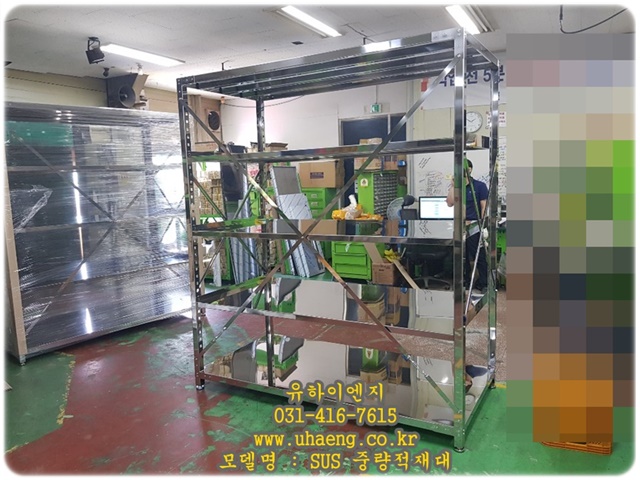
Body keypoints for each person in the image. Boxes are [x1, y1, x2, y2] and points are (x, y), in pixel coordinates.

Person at [446, 158, 489, 293]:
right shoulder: (457, 188)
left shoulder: (480, 186)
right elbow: (449, 203)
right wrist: (453, 185)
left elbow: (484, 206)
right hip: (460, 226)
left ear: (469, 170)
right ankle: (465, 281)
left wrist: (482, 224)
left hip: (474, 226)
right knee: (461, 256)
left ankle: (484, 283)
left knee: (479, 255)